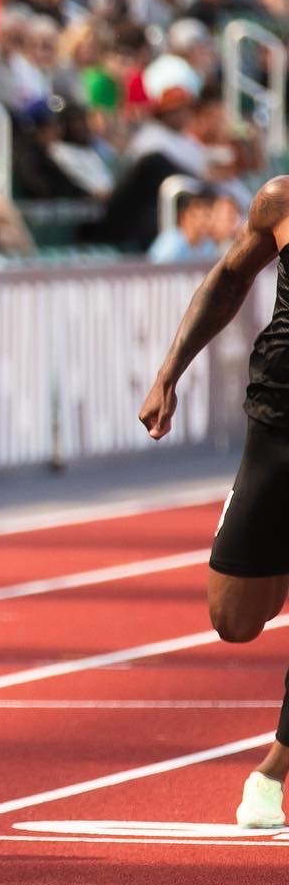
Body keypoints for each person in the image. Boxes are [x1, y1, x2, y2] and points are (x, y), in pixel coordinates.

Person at [139, 174, 289, 831]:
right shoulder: (280, 200)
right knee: (234, 618)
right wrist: (169, 371)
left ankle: (272, 770)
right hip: (278, 420)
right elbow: (229, 278)